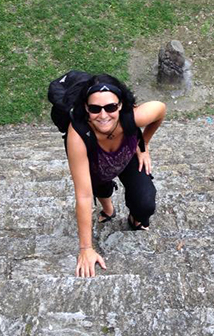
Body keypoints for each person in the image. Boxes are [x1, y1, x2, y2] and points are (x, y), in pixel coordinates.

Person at [65, 74, 166, 278]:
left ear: (121, 106)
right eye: (95, 108)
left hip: (128, 158)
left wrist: (143, 145)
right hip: (96, 163)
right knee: (100, 186)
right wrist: (86, 249)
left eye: (110, 107)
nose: (103, 115)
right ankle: (108, 210)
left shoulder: (132, 118)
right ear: (85, 108)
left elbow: (160, 109)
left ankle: (134, 218)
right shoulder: (78, 135)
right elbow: (84, 196)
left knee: (145, 204)